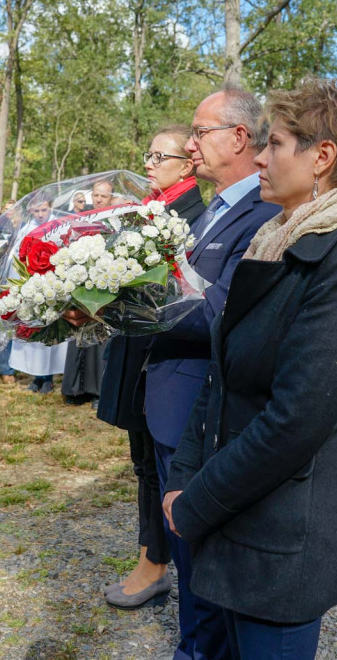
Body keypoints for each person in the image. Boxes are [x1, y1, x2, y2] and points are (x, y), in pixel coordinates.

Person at [164, 77, 337, 660]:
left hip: (279, 546)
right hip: (232, 519)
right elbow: (221, 377)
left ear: (323, 157)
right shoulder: (271, 244)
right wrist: (183, 473)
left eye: (277, 144)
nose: (259, 157)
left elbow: (296, 420)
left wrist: (197, 500)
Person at [150, 87, 280, 657]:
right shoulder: (214, 210)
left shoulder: (263, 215)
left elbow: (218, 314)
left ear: (238, 137)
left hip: (200, 405)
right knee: (186, 559)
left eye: (200, 132)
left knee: (203, 559)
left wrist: (126, 311)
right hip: (169, 401)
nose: (190, 144)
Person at [92, 124, 210, 609]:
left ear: (187, 165)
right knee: (143, 462)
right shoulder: (149, 210)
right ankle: (152, 556)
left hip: (169, 355)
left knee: (163, 467)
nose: (147, 164)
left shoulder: (194, 217)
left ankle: (161, 561)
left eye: (158, 157)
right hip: (139, 351)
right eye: (147, 155)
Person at [8, 198, 68, 393]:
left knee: (49, 333)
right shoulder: (26, 229)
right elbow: (17, 257)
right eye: (36, 211)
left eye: (43, 210)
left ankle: (49, 377)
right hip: (33, 287)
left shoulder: (59, 226)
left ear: (50, 208)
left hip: (51, 287)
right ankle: (37, 376)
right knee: (35, 333)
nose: (40, 214)